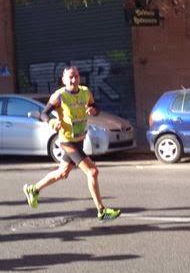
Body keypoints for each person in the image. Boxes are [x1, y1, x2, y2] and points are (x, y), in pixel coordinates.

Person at [22, 66, 121, 221]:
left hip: (79, 139)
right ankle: (101, 211)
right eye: (70, 77)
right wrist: (52, 121)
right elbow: (43, 114)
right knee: (92, 171)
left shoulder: (85, 92)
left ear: (79, 77)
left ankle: (33, 189)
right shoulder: (59, 96)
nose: (73, 80)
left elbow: (96, 107)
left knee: (62, 173)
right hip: (67, 141)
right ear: (63, 80)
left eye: (75, 76)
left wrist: (94, 110)